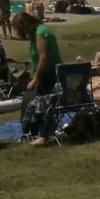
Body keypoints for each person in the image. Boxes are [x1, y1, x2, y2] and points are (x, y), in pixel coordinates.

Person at [13, 12, 63, 147]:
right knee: (33, 101)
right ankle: (33, 132)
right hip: (45, 73)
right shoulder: (39, 32)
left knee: (42, 104)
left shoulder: (40, 34)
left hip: (49, 74)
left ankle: (43, 135)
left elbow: (43, 57)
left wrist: (36, 78)